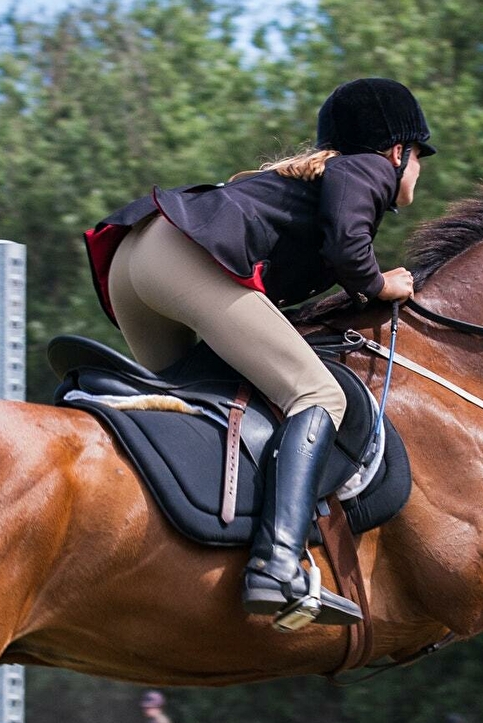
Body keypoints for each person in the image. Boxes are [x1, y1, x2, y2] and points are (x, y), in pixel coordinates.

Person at [84, 77, 435, 627]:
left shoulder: (303, 182)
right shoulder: (364, 168)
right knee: (319, 393)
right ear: (398, 152)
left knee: (191, 405)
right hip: (182, 260)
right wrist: (379, 284)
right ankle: (277, 564)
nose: (418, 171)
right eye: (419, 158)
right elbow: (349, 248)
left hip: (135, 262)